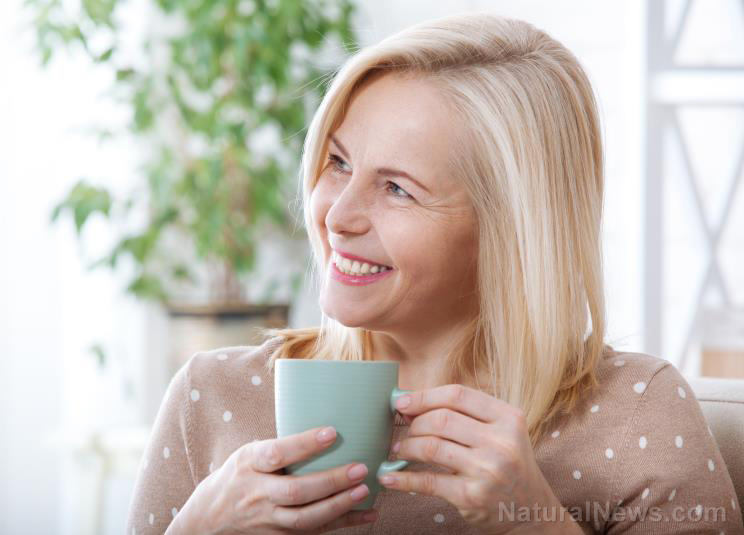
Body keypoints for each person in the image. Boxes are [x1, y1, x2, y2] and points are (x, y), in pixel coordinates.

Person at [125, 12, 743, 534]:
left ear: (512, 231)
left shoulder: (636, 418)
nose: (336, 215)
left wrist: (533, 521)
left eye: (397, 188)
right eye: (338, 162)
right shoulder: (211, 398)